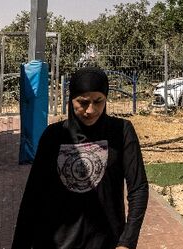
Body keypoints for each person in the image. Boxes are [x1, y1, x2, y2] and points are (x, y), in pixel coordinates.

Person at [12, 67, 148, 249]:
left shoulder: (121, 132)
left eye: (98, 101)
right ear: (71, 100)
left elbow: (138, 188)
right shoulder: (54, 136)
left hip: (106, 241)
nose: (90, 110)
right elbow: (34, 195)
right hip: (55, 242)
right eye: (82, 102)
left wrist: (127, 242)